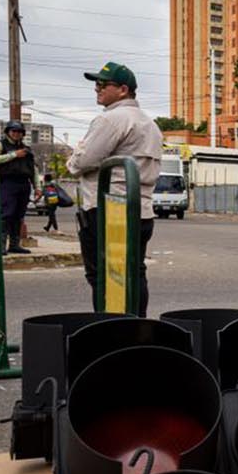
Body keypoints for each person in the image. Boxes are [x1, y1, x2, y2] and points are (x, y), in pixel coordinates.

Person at [68, 62, 162, 316]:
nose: (96, 89)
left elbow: (81, 163)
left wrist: (76, 153)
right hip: (141, 210)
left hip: (109, 210)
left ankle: (109, 330)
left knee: (101, 275)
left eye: (102, 84)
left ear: (122, 89)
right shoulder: (150, 124)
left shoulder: (111, 119)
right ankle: (136, 326)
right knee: (134, 272)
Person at [0, 120, 36, 254]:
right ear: (8, 132)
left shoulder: (27, 149)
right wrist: (14, 155)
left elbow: (34, 169)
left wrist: (37, 187)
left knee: (18, 215)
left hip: (24, 183)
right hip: (7, 182)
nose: (16, 134)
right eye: (13, 131)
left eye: (19, 132)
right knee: (6, 214)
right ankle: (0, 245)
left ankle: (14, 244)